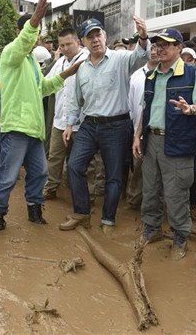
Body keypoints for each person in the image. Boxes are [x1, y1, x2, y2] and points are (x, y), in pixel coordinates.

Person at [0, 0, 81, 231]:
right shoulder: (12, 54)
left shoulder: (31, 62)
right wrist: (37, 16)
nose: (37, 38)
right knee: (8, 177)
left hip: (35, 131)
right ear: (21, 33)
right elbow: (24, 40)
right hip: (17, 129)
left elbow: (44, 88)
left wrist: (66, 73)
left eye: (38, 34)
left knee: (40, 174)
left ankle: (34, 210)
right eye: (34, 32)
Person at [58, 15, 151, 233]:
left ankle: (108, 219)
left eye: (98, 34)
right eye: (90, 37)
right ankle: (81, 213)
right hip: (89, 124)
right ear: (83, 42)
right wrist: (70, 124)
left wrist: (144, 36)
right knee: (74, 165)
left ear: (105, 36)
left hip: (117, 126)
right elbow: (75, 98)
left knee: (114, 175)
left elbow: (141, 57)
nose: (95, 39)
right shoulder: (81, 68)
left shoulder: (120, 59)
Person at [133, 28, 196, 261]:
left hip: (178, 141)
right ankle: (152, 229)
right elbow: (145, 109)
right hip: (151, 140)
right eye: (157, 44)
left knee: (176, 192)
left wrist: (190, 109)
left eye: (166, 44)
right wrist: (137, 137)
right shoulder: (151, 75)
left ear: (179, 47)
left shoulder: (192, 74)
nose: (159, 48)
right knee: (150, 189)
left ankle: (180, 235)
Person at [42, 28, 89, 200]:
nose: (65, 48)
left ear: (78, 42)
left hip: (81, 121)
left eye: (69, 44)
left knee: (79, 161)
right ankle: (51, 187)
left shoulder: (87, 59)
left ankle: (79, 192)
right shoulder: (60, 62)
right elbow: (47, 84)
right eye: (62, 45)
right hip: (59, 120)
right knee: (54, 156)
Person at [126, 43, 159, 209]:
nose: (154, 52)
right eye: (151, 49)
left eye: (157, 49)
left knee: (157, 170)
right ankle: (134, 199)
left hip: (158, 131)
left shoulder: (166, 75)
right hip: (138, 131)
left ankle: (155, 205)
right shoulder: (136, 76)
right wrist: (134, 132)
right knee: (138, 168)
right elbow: (131, 105)